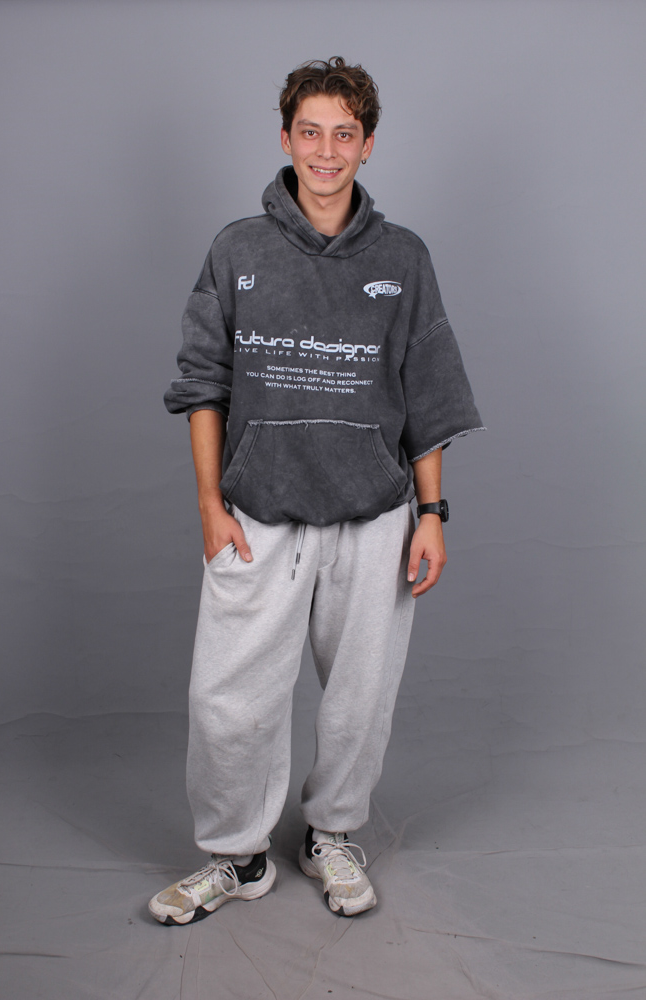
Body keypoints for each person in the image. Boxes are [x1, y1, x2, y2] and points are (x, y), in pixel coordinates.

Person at [150, 56, 484, 925]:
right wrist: (209, 505)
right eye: (310, 132)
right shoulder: (237, 249)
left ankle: (331, 835)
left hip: (373, 518)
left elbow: (427, 396)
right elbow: (202, 383)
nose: (325, 151)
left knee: (358, 704)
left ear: (367, 146)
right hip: (257, 516)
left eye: (344, 134)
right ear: (285, 138)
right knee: (228, 704)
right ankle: (235, 855)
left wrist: (431, 515)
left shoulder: (403, 258)